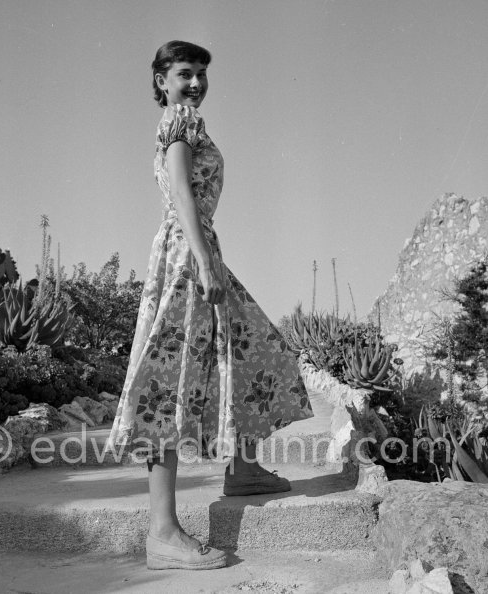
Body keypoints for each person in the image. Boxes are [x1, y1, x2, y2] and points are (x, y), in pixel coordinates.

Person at [108, 40, 313, 571]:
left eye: (201, 73)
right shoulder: (178, 124)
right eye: (184, 73)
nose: (195, 82)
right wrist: (201, 261)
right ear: (160, 80)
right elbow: (181, 195)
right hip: (186, 254)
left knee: (252, 351)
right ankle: (163, 534)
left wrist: (209, 256)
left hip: (200, 249)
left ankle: (242, 469)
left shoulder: (188, 123)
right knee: (168, 382)